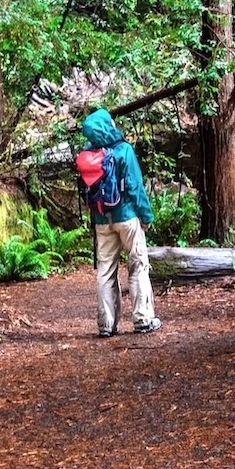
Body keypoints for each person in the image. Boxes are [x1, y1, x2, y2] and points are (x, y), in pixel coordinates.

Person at [80, 108, 161, 337]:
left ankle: (106, 325)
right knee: (138, 266)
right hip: (126, 217)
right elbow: (135, 187)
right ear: (108, 125)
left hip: (101, 220)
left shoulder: (90, 155)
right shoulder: (123, 150)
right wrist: (146, 217)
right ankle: (143, 319)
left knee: (105, 271)